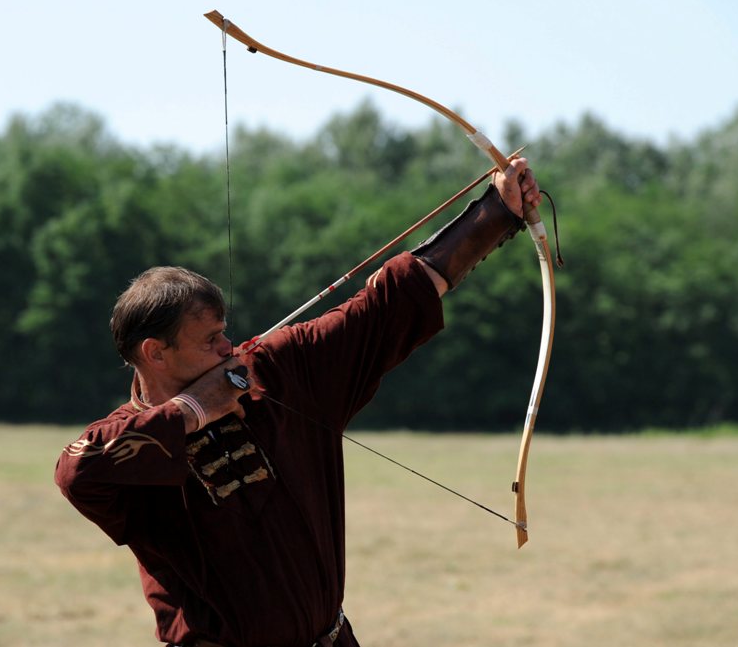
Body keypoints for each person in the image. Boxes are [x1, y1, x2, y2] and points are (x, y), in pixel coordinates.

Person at [55, 160, 543, 646]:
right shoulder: (125, 444)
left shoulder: (274, 371)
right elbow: (76, 472)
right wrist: (195, 409)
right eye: (209, 340)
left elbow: (387, 305)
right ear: (155, 353)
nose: (228, 348)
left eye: (225, 333)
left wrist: (497, 213)